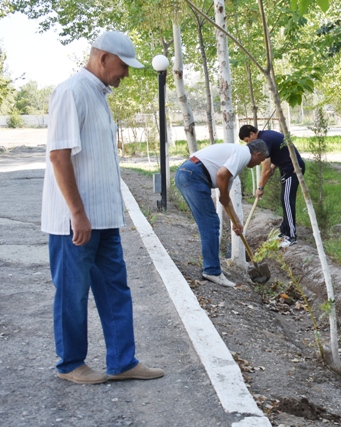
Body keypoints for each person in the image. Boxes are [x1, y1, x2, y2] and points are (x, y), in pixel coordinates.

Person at [41, 31, 164, 384]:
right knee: (72, 293)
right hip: (75, 222)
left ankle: (123, 361)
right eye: (124, 66)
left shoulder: (99, 95)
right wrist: (77, 214)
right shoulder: (71, 92)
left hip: (104, 219)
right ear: (104, 58)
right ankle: (71, 364)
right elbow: (59, 156)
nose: (125, 74)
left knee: (115, 289)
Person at [175, 140, 269, 286]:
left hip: (186, 173)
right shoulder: (243, 154)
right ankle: (212, 271)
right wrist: (224, 195)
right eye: (260, 160)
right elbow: (221, 175)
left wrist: (236, 221)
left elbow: (225, 198)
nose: (258, 164)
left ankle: (210, 267)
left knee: (207, 223)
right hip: (194, 176)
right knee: (211, 223)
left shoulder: (235, 157)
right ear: (257, 154)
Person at [238, 124, 305, 248]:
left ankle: (291, 236)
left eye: (247, 141)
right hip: (287, 168)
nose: (248, 144)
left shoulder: (263, 141)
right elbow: (279, 153)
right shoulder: (266, 135)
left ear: (252, 134)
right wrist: (275, 165)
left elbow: (266, 169)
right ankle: (284, 232)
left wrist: (260, 188)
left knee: (287, 201)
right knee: (284, 200)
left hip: (293, 169)